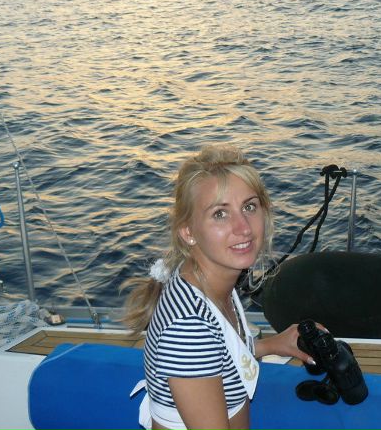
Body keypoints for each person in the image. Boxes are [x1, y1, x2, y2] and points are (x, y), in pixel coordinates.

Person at [123, 144, 313, 430]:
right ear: (188, 232)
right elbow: (200, 347)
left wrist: (272, 345)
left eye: (249, 207)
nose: (244, 228)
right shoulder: (189, 330)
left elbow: (220, 351)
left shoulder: (206, 280)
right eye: (220, 214)